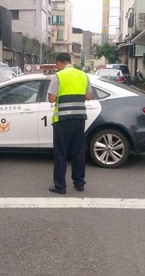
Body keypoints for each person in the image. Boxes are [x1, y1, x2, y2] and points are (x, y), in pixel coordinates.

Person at [47, 53, 93, 194]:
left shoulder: (58, 76)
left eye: (57, 64)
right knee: (78, 152)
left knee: (61, 153)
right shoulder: (83, 75)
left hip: (63, 120)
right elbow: (89, 96)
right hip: (79, 119)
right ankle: (79, 183)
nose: (57, 67)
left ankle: (60, 186)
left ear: (60, 63)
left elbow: (51, 99)